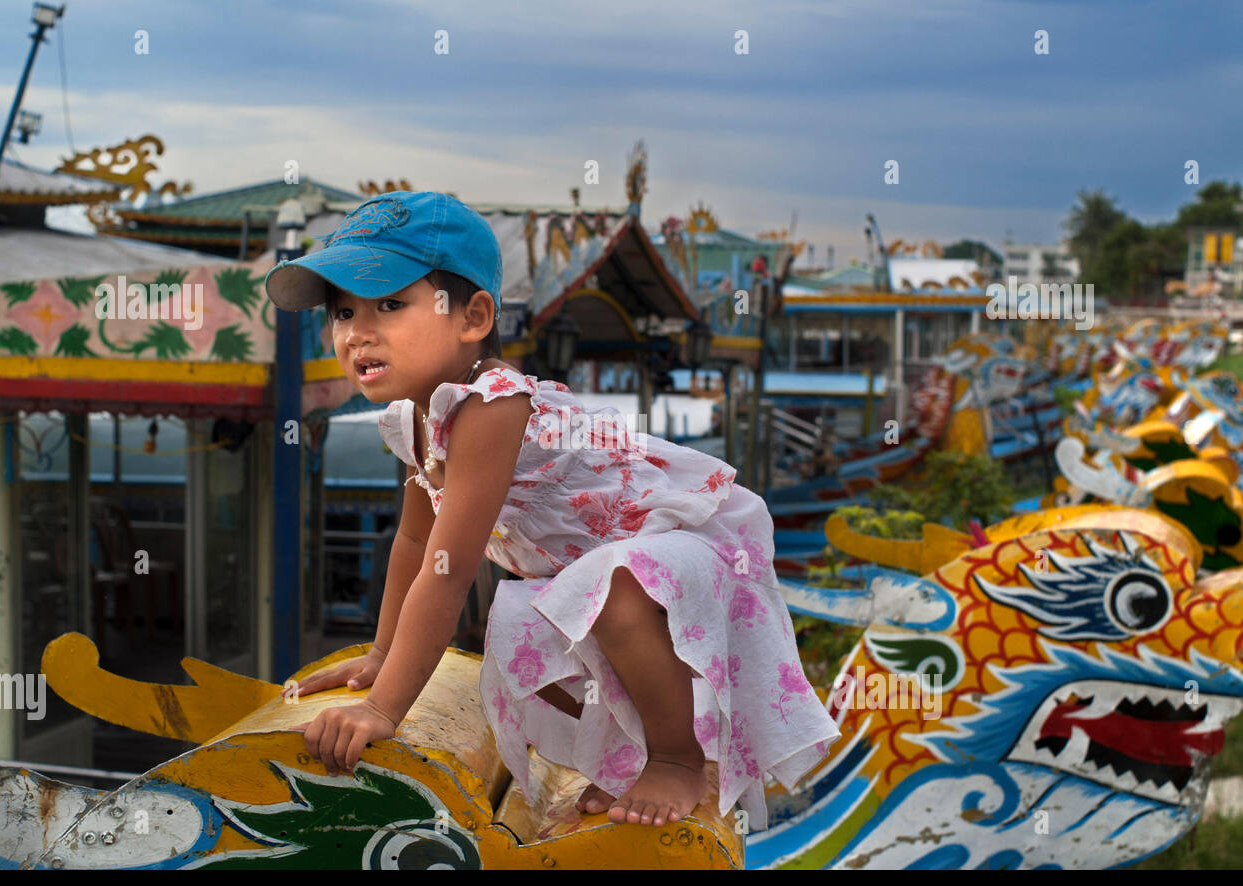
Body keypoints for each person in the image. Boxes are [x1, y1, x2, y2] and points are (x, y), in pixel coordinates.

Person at [264, 191, 839, 831]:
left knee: (612, 592)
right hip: (582, 578)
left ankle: (677, 758)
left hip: (682, 553)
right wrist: (382, 653)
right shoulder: (414, 418)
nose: (358, 332)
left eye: (391, 305)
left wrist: (383, 708)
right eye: (342, 311)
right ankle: (627, 757)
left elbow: (450, 571)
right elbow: (413, 543)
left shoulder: (491, 405)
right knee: (529, 624)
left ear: (474, 316)